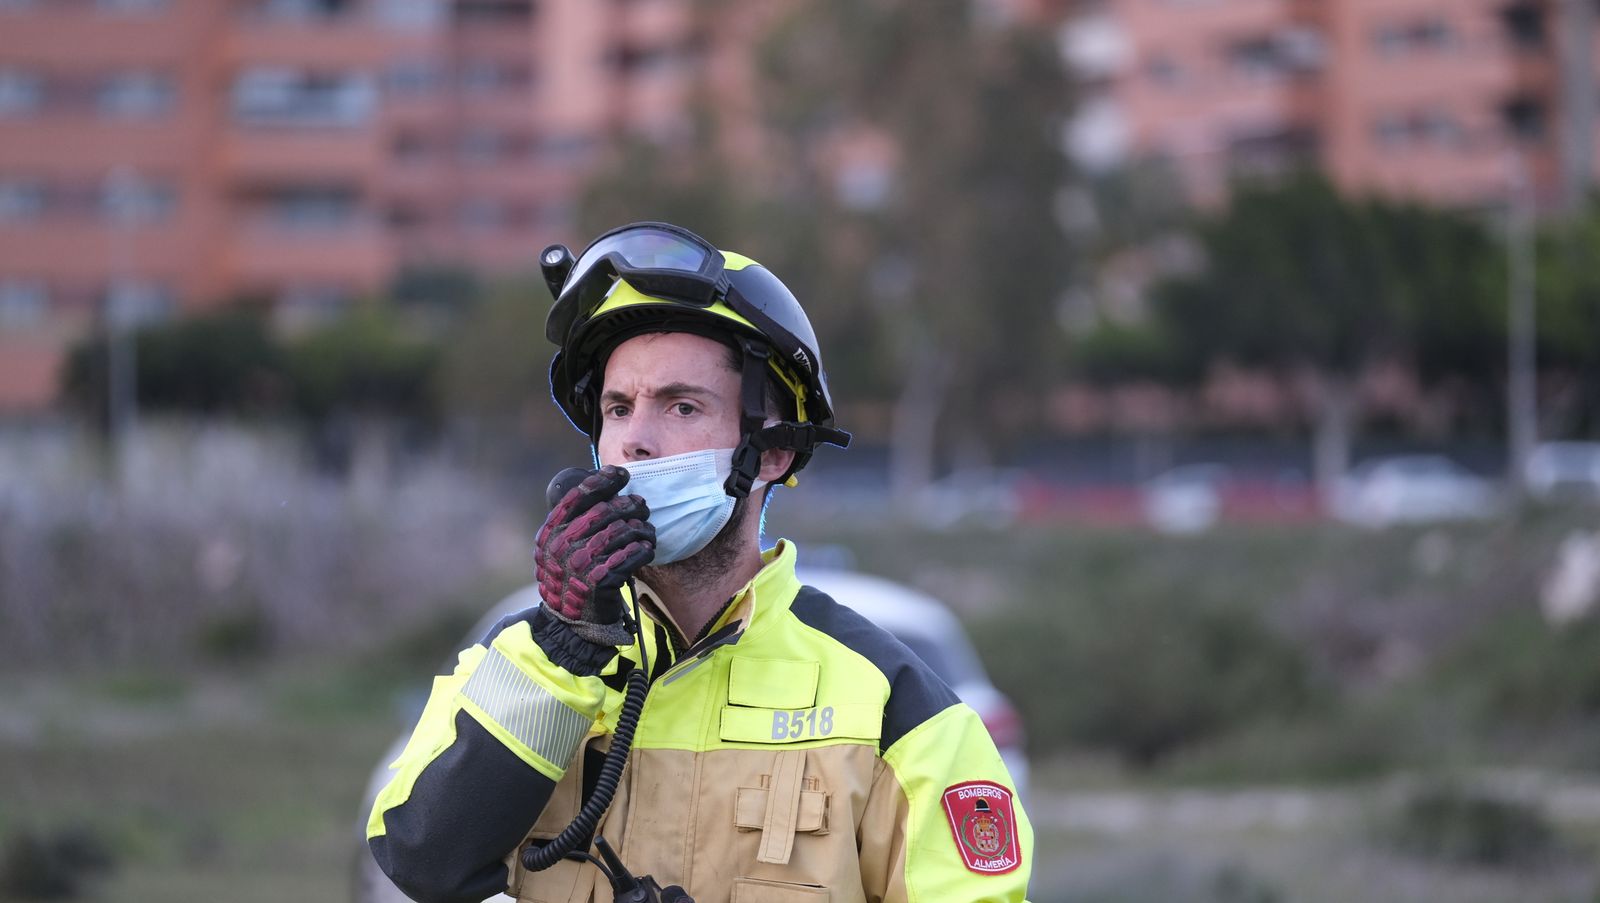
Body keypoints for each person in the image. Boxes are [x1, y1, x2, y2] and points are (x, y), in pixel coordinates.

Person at [366, 222, 1033, 902]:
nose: (637, 442)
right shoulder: (519, 662)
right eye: (619, 408)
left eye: (681, 405)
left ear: (772, 451)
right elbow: (421, 860)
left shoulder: (898, 703)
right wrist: (565, 654)